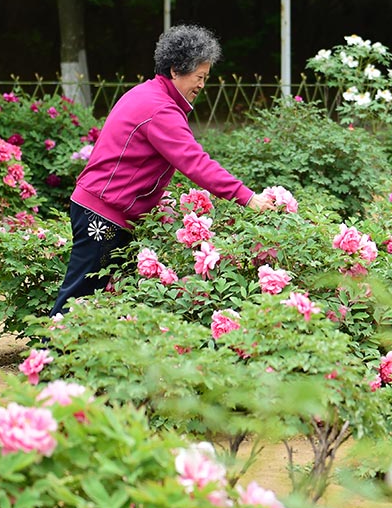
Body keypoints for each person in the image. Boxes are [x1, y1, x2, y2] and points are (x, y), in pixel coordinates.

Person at [49, 24, 274, 316]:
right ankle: (48, 356)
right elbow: (194, 162)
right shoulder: (159, 108)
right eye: (199, 77)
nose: (202, 85)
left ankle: (78, 357)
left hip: (105, 210)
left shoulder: (150, 95)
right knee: (79, 296)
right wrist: (246, 196)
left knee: (110, 298)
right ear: (176, 70)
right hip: (103, 214)